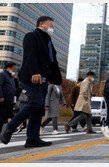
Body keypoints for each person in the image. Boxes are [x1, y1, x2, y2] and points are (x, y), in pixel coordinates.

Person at [0, 16, 62, 147]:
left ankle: (32, 138)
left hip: (43, 79)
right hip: (31, 76)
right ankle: (9, 127)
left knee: (38, 109)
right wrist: (35, 71)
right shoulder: (31, 36)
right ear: (42, 24)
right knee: (36, 103)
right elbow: (30, 55)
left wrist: (55, 79)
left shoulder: (48, 40)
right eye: (51, 25)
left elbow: (51, 61)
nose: (52, 28)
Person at [0, 62, 17, 133]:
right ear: (9, 68)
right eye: (14, 69)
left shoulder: (11, 77)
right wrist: (0, 96)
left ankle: (7, 128)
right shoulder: (2, 74)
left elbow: (14, 88)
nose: (14, 70)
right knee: (2, 115)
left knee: (8, 115)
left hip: (10, 100)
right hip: (3, 99)